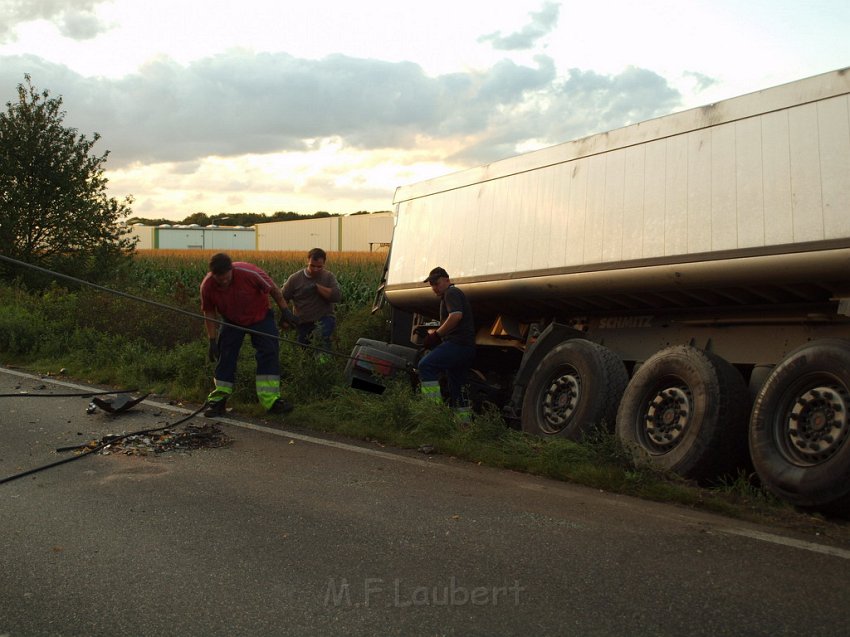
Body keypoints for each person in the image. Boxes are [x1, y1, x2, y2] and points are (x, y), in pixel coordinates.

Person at [200, 253, 293, 417]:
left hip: (260, 316)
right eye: (218, 278)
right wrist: (212, 340)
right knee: (226, 355)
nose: (223, 281)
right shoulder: (207, 286)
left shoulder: (249, 273)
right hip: (232, 320)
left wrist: (285, 311)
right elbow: (209, 312)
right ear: (213, 274)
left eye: (226, 276)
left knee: (269, 353)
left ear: (231, 269)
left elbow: (274, 290)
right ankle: (218, 401)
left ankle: (271, 401)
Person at [418, 266, 476, 407]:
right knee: (458, 389)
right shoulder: (451, 294)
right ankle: (464, 424)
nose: (434, 288)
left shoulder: (451, 292)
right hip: (466, 348)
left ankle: (433, 409)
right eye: (432, 285)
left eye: (436, 283)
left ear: (447, 280)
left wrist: (436, 336)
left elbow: (456, 316)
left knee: (425, 365)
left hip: (458, 345)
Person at [282, 247, 342, 352]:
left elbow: (336, 296)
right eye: (312, 266)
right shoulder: (295, 279)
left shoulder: (328, 277)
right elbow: (283, 297)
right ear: (307, 261)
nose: (315, 269)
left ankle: (324, 365)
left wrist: (317, 287)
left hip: (324, 318)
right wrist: (286, 317)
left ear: (324, 264)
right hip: (303, 321)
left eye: (319, 267)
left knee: (320, 338)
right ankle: (310, 366)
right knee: (304, 350)